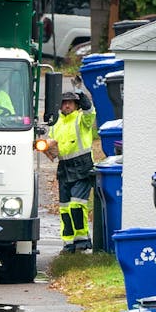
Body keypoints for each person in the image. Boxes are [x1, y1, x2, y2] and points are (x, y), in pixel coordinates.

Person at [44, 88, 98, 252]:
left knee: (76, 204)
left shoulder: (82, 119)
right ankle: (68, 243)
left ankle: (82, 240)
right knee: (65, 207)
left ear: (76, 105)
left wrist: (82, 96)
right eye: (64, 102)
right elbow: (52, 143)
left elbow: (90, 111)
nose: (67, 105)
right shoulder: (56, 123)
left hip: (82, 166)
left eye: (70, 102)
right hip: (64, 167)